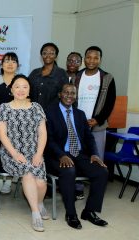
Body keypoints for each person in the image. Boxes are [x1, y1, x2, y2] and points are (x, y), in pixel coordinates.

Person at [45, 83, 109, 229]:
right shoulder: (49, 112)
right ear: (60, 94)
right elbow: (48, 139)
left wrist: (94, 154)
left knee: (101, 171)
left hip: (79, 154)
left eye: (73, 93)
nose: (69, 95)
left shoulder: (80, 114)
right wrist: (61, 155)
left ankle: (89, 211)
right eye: (66, 92)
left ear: (76, 96)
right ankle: (71, 214)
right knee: (69, 170)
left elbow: (89, 137)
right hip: (57, 155)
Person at [0, 74, 48, 232]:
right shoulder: (4, 108)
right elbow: (2, 135)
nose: (21, 90)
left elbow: (42, 133)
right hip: (11, 152)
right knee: (28, 175)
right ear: (11, 89)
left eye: (25, 86)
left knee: (41, 182)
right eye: (17, 86)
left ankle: (39, 202)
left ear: (30, 89)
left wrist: (38, 154)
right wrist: (15, 153)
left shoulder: (36, 107)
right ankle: (36, 213)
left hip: (34, 151)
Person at [74, 46, 116, 161]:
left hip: (97, 125)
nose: (91, 61)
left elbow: (110, 103)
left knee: (96, 157)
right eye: (88, 57)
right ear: (84, 59)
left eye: (95, 58)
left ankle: (97, 178)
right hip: (77, 124)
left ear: (100, 60)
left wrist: (98, 119)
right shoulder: (76, 77)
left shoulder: (107, 78)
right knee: (77, 156)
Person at [0, 52, 20, 194]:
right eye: (6, 61)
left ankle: (8, 181)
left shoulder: (20, 82)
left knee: (11, 149)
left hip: (15, 122)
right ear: (1, 65)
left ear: (17, 65)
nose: (10, 63)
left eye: (13, 61)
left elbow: (24, 99)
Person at [65, 51, 85, 200]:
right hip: (62, 117)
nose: (73, 63)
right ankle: (63, 185)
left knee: (78, 152)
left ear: (81, 63)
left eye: (76, 61)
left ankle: (78, 188)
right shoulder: (60, 75)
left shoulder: (83, 77)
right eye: (70, 60)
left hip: (78, 118)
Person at [28, 42, 68, 111]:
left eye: (51, 53)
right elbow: (27, 92)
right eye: (45, 53)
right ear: (41, 55)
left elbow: (66, 95)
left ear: (56, 56)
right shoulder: (34, 73)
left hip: (53, 114)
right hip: (34, 113)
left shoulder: (61, 73)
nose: (48, 55)